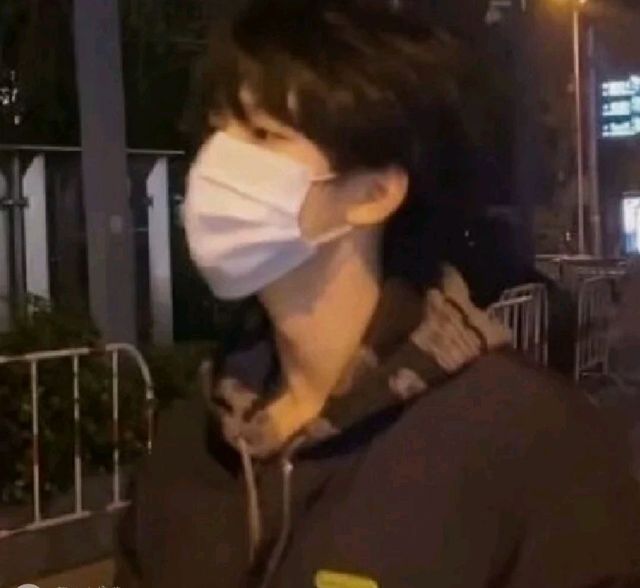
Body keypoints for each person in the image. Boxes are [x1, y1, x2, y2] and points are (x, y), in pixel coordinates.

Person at [114, 1, 640, 586]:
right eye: (218, 130)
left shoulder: (528, 438)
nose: (218, 164)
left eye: (264, 134)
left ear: (375, 193)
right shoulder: (192, 444)